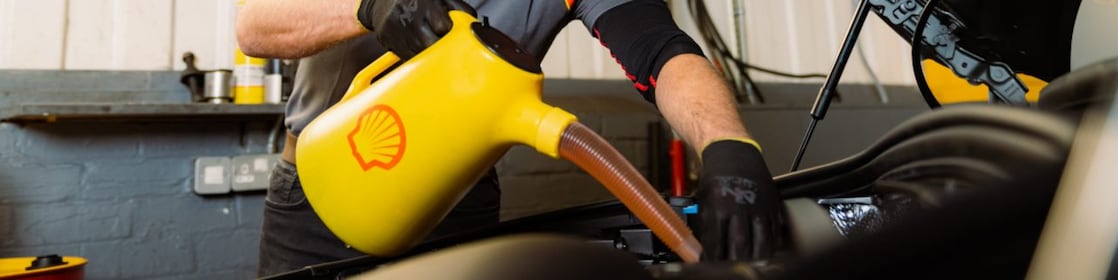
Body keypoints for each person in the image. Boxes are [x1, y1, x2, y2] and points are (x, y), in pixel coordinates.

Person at [237, 0, 783, 276]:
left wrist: (730, 147)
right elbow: (254, 26)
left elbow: (663, 52)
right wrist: (368, 6)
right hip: (316, 196)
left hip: (454, 205)